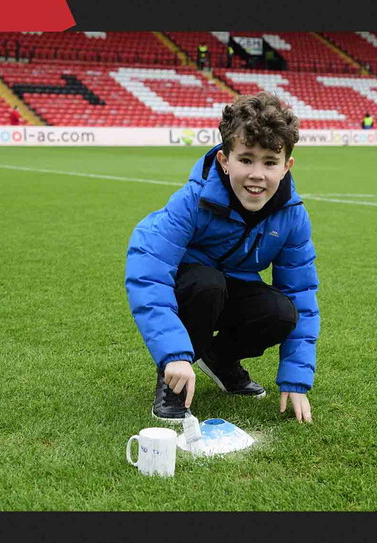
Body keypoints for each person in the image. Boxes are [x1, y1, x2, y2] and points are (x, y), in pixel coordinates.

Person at [125, 92, 319, 425]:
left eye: (270, 162)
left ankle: (219, 360)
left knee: (281, 312)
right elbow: (148, 270)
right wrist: (173, 354)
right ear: (224, 160)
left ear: (286, 166)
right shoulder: (191, 201)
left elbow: (302, 295)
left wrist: (296, 379)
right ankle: (173, 382)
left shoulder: (292, 216)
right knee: (206, 284)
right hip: (191, 287)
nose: (257, 174)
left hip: (233, 289)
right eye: (246, 159)